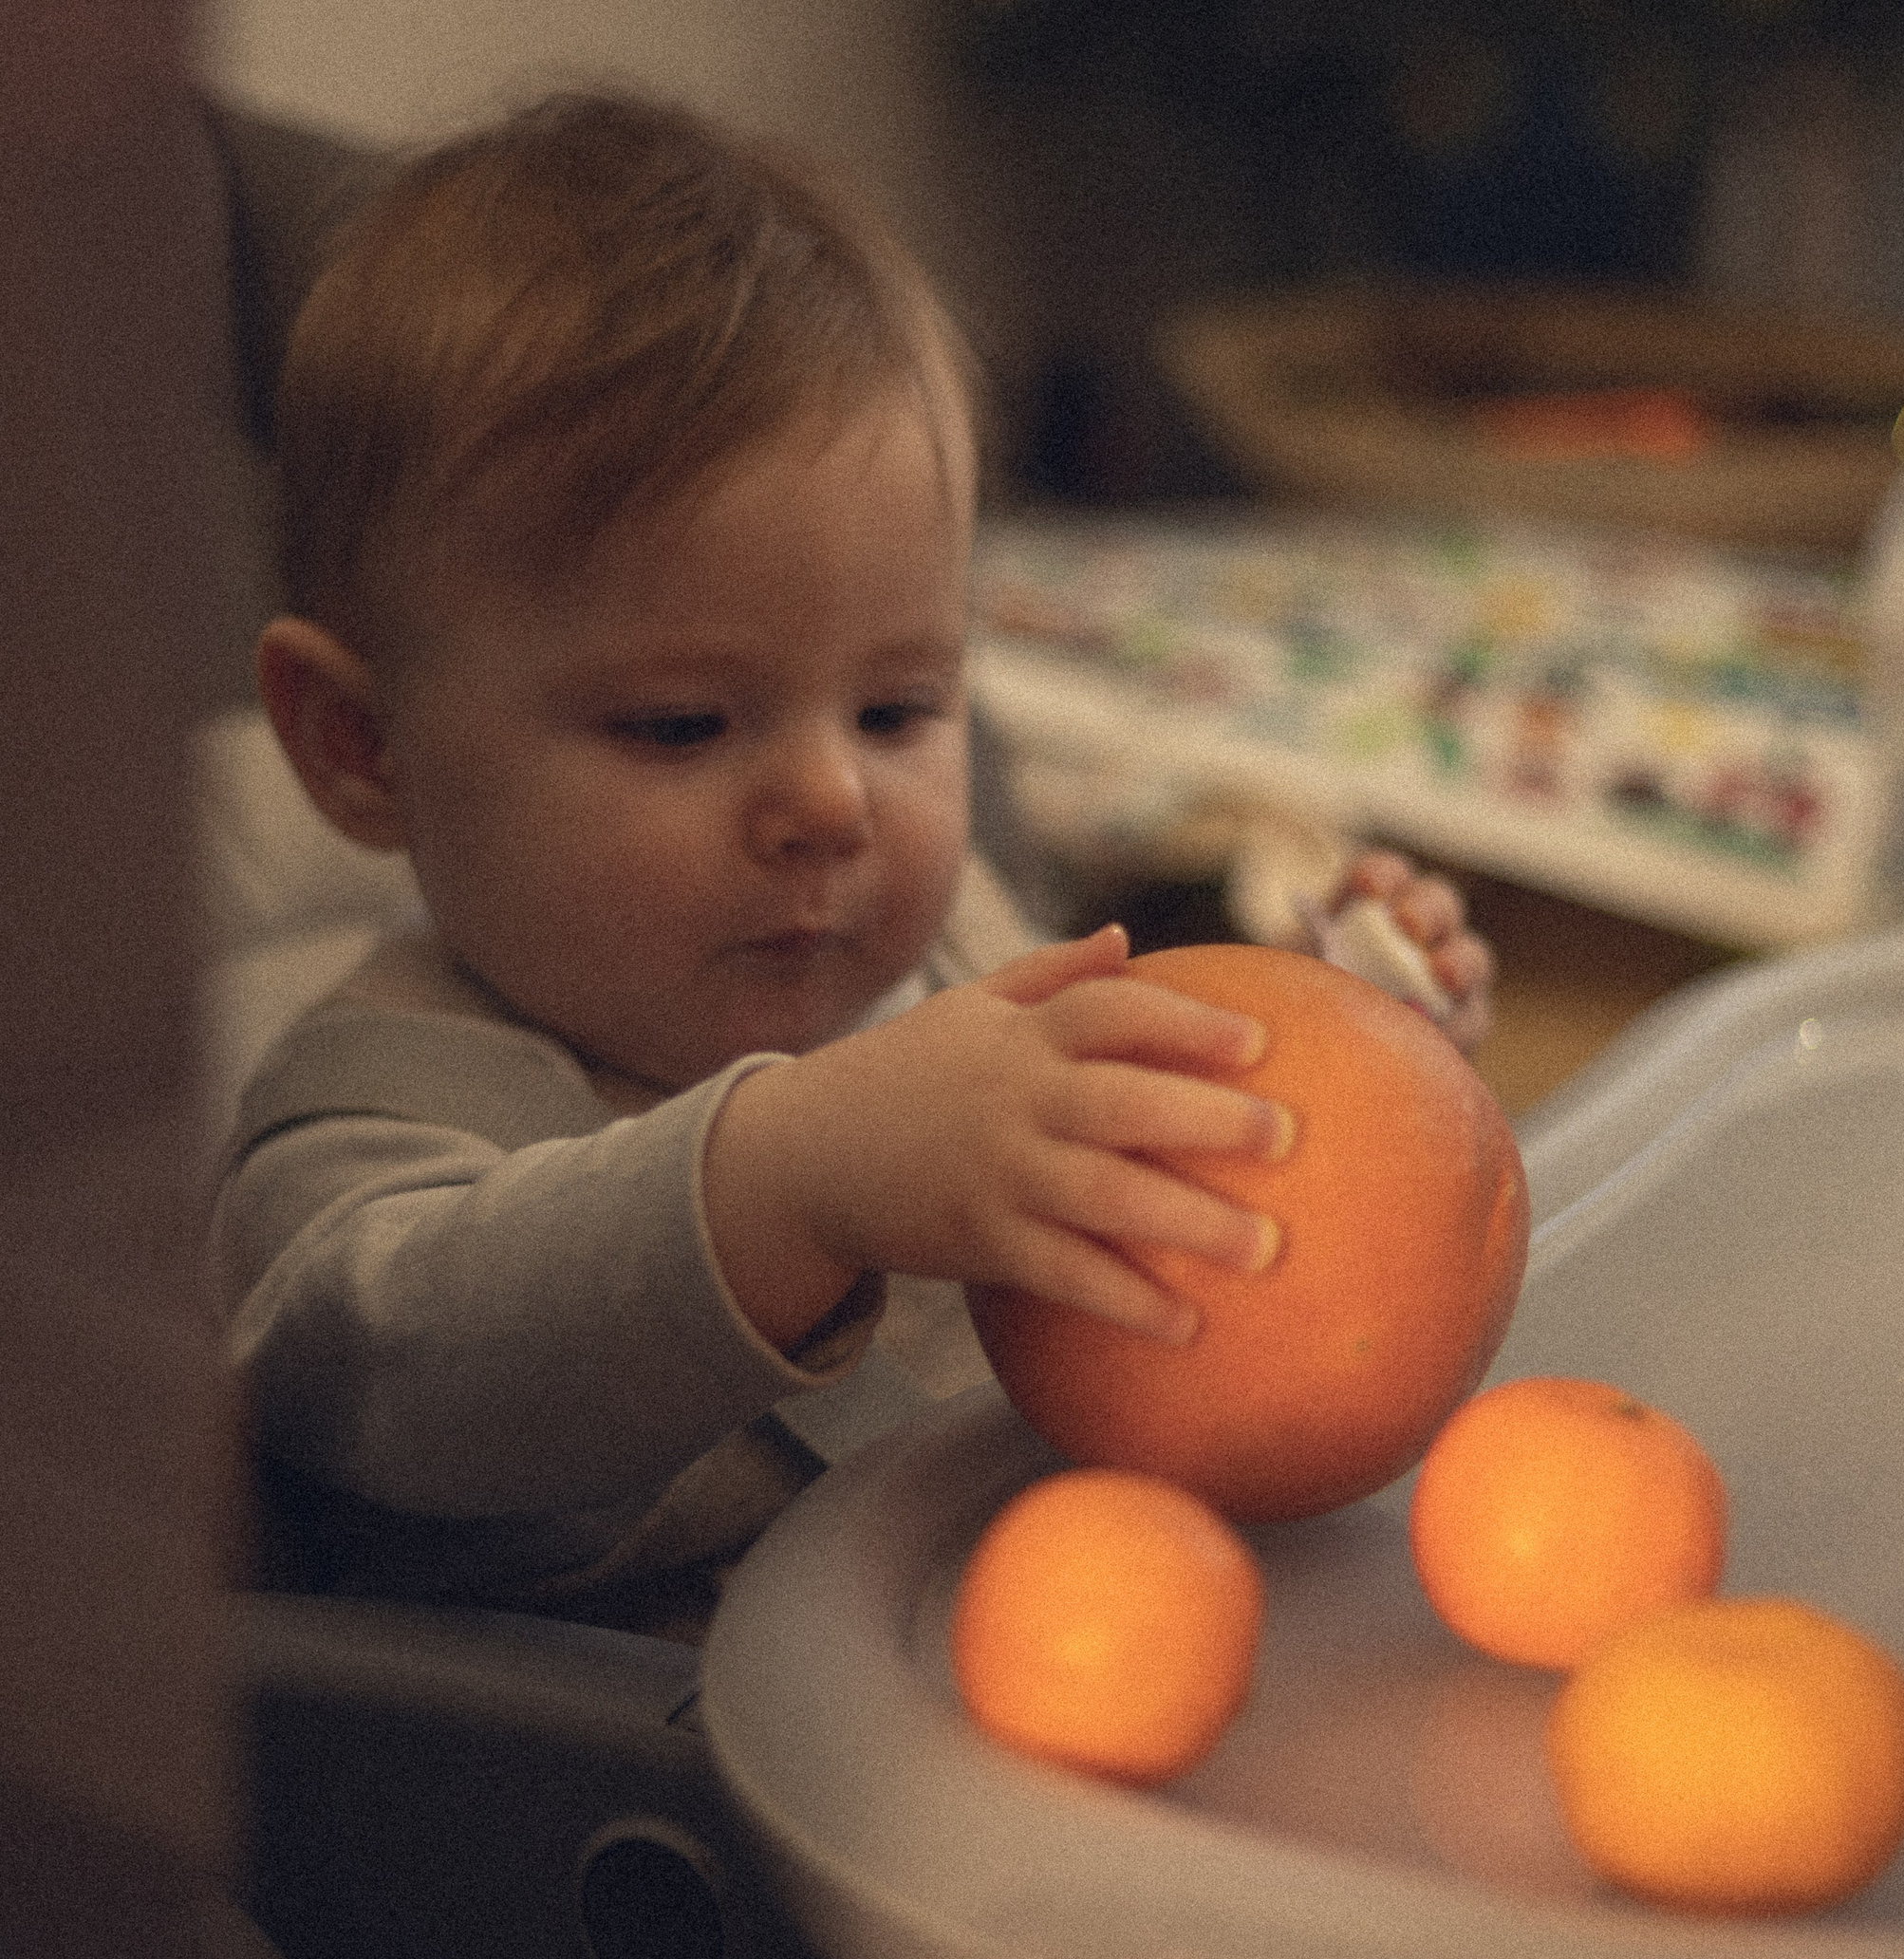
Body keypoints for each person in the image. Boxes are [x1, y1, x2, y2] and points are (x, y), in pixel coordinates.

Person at [216, 90, 1496, 1635]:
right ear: (364, 746)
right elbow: (401, 1379)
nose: (832, 800)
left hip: (1096, 1657)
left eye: (898, 706)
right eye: (683, 725)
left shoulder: (942, 935)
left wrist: (1339, 1040)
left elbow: (1190, 1205)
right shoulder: (360, 1126)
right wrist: (795, 1181)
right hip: (657, 1818)